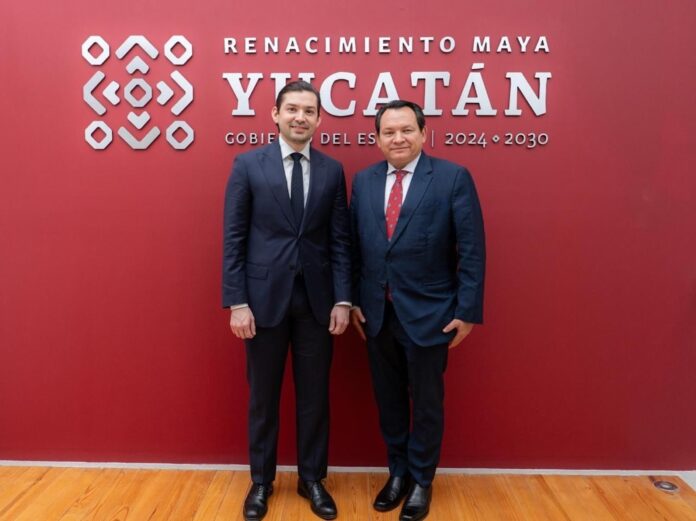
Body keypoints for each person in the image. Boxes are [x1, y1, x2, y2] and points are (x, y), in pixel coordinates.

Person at [350, 100, 485, 521]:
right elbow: (354, 247)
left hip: (431, 314)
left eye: (407, 130)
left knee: (426, 403)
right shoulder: (364, 181)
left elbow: (472, 249)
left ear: (423, 134)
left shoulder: (452, 178)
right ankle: (398, 473)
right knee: (388, 400)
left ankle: (422, 480)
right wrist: (353, 300)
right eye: (389, 132)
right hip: (376, 315)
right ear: (377, 139)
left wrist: (467, 310)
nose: (398, 138)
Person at [222, 80, 351, 521]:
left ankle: (312, 479)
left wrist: (343, 299)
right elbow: (234, 238)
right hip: (262, 303)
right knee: (263, 397)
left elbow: (339, 240)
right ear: (275, 114)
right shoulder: (248, 165)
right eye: (292, 109)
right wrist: (237, 301)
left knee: (315, 396)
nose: (300, 117)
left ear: (319, 119)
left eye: (309, 111)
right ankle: (261, 481)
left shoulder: (332, 170)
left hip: (318, 303)